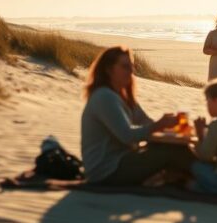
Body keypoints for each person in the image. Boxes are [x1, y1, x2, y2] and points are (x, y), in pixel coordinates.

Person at [80, 46, 193, 185]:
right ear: (108, 70)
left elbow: (145, 122)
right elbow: (127, 135)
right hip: (106, 170)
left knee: (171, 147)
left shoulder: (124, 96)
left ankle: (195, 177)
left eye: (131, 66)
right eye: (125, 67)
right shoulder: (104, 96)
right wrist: (158, 125)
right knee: (170, 152)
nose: (131, 71)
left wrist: (169, 126)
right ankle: (207, 178)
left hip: (124, 159)